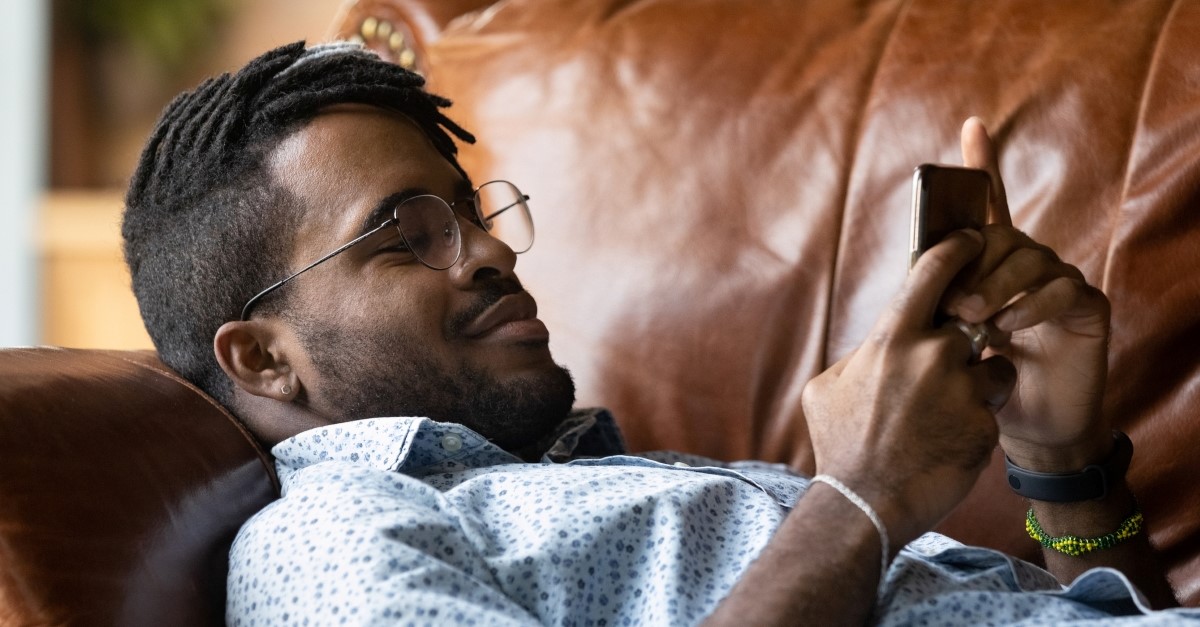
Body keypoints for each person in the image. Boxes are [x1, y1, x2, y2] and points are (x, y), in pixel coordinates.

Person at [121, 42, 1195, 625]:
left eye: (474, 213)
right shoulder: (327, 543)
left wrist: (1060, 467)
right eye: (406, 239)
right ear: (263, 356)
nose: (493, 253)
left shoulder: (619, 476)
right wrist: (860, 496)